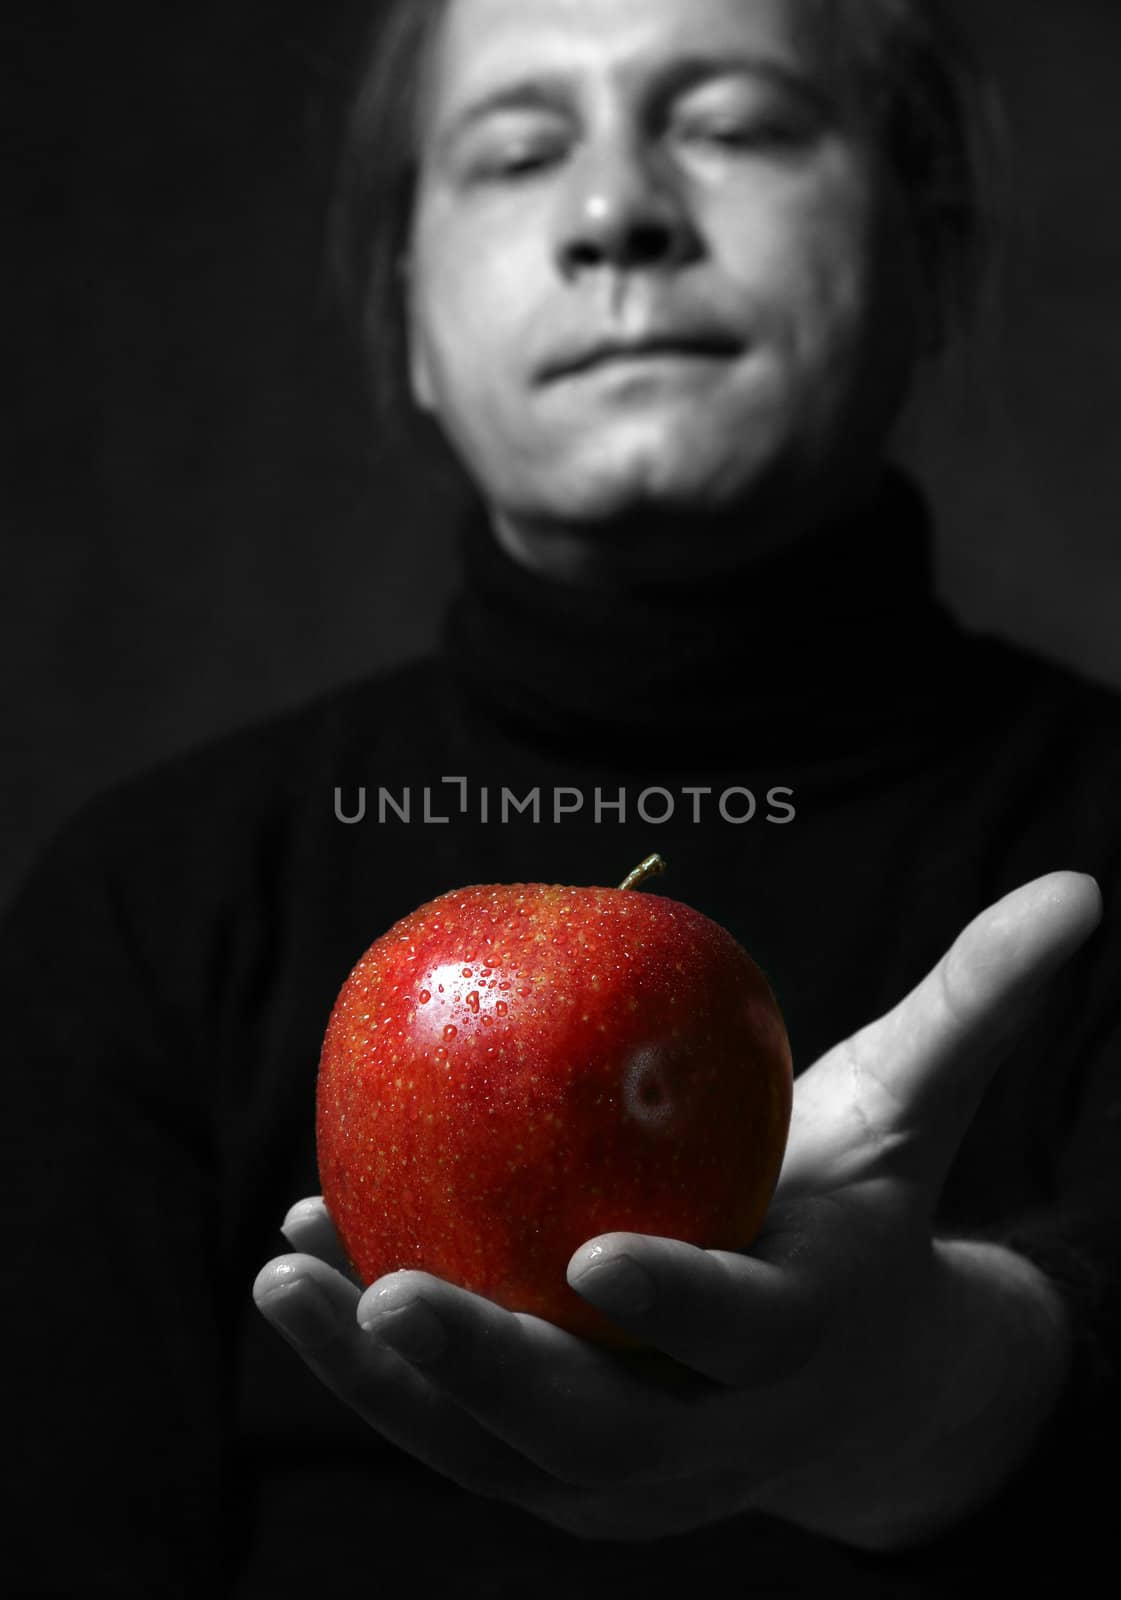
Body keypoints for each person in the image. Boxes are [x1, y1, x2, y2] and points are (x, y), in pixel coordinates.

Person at [5, 0, 1120, 1593]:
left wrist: (944, 1386)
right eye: (518, 152)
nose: (616, 215)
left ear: (928, 241)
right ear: (407, 317)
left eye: (732, 125)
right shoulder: (148, 902)